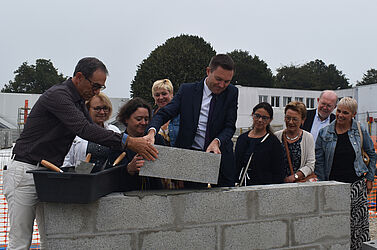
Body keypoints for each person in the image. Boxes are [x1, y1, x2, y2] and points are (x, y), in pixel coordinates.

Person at [2, 57, 157, 249]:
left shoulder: (77, 102)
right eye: (95, 86)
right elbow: (85, 129)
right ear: (79, 77)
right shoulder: (59, 96)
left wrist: (136, 139)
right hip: (25, 172)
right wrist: (129, 141)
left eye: (101, 88)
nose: (97, 92)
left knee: (50, 239)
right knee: (20, 241)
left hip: (46, 174)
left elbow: (94, 130)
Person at [145, 54, 238, 187]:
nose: (222, 85)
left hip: (220, 160)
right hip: (191, 161)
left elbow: (229, 127)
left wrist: (217, 141)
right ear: (208, 71)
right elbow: (164, 113)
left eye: (227, 81)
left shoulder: (232, 92)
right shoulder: (187, 90)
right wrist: (152, 131)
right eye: (218, 79)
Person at [315, 97, 376, 249]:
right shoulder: (325, 133)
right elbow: (320, 161)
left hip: (356, 186)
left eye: (345, 113)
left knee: (358, 228)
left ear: (353, 114)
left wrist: (370, 178)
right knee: (334, 224)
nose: (341, 115)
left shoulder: (360, 130)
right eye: (339, 111)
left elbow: (372, 154)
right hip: (334, 186)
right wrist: (323, 184)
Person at [114, 97, 164, 191]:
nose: (143, 123)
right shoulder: (117, 142)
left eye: (146, 119)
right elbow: (111, 173)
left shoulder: (157, 139)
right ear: (126, 119)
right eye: (139, 119)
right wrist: (129, 169)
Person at [63, 93, 120, 170]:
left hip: (108, 179)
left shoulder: (114, 131)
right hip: (82, 179)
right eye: (97, 108)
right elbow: (66, 162)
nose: (102, 112)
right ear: (87, 109)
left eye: (105, 108)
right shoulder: (75, 132)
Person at [235, 102, 284, 186]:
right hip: (242, 185)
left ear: (270, 120)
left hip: (263, 189)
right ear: (252, 115)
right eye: (257, 116)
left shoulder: (273, 142)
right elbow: (236, 164)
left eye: (264, 118)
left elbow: (278, 171)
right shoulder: (242, 139)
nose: (260, 120)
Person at [275, 101, 315, 182]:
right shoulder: (277, 136)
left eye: (295, 119)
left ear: (302, 120)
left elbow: (310, 164)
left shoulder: (308, 137)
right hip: (279, 184)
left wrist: (295, 177)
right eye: (288, 118)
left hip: (299, 185)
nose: (290, 122)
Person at [152, 79, 180, 147]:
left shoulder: (181, 115)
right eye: (157, 95)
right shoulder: (150, 116)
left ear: (171, 94)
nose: (161, 97)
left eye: (164, 94)